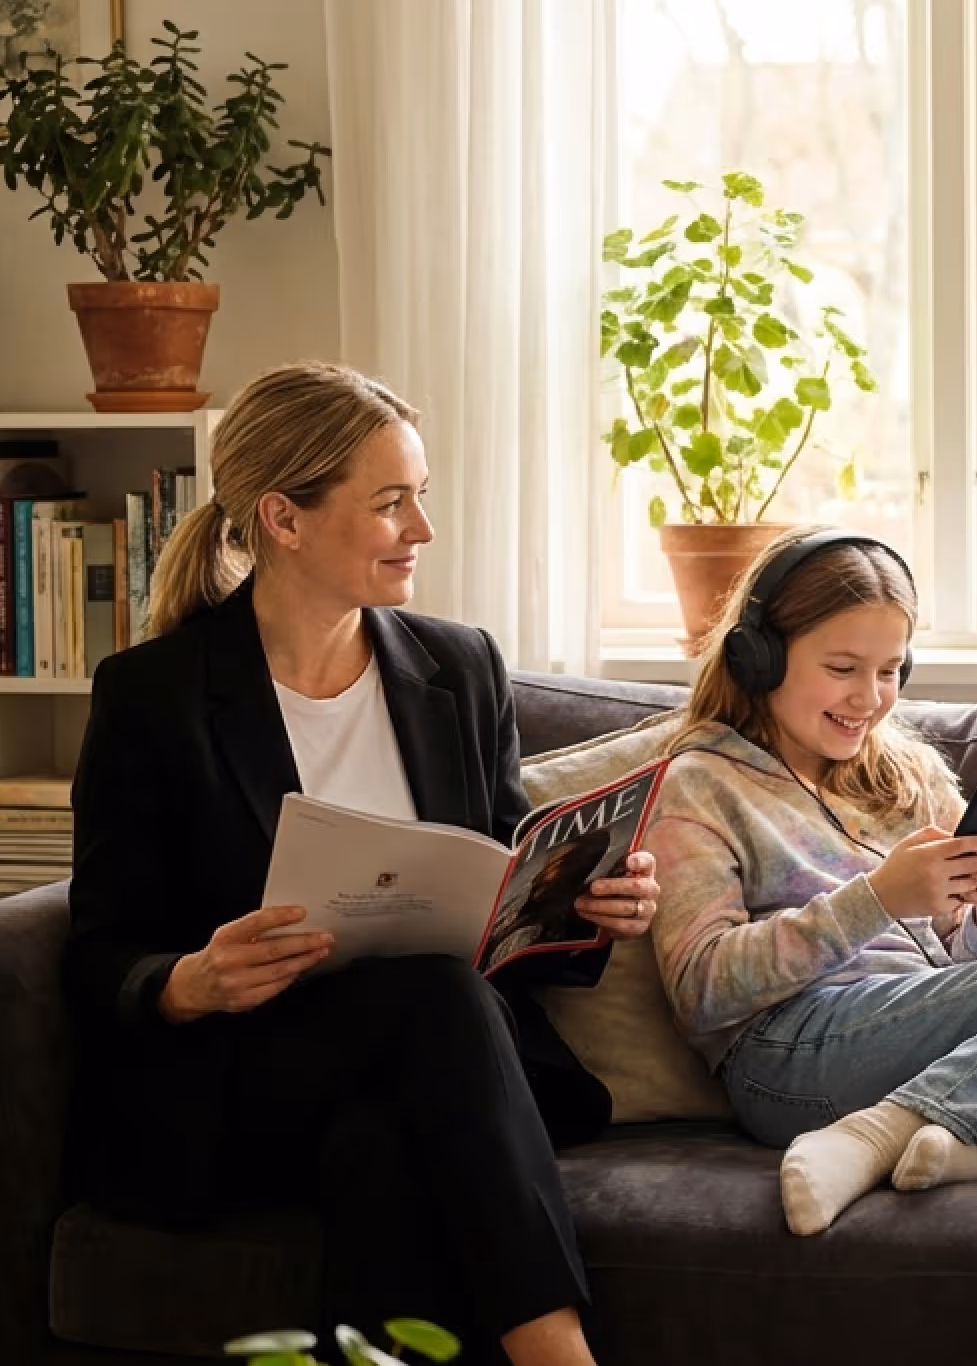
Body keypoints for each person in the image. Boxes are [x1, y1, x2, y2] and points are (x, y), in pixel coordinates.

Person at [64, 362, 661, 1366]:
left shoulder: (457, 665)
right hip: (245, 1074)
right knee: (433, 998)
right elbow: (97, 951)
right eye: (391, 503)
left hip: (426, 1071)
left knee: (383, 1147)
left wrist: (581, 905)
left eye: (420, 496)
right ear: (283, 518)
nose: (422, 529)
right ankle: (556, 1348)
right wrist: (186, 982)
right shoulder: (155, 696)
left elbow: (505, 901)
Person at [645, 524, 977, 1238]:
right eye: (844, 667)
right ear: (759, 658)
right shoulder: (701, 784)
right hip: (789, 1058)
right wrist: (877, 900)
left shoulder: (906, 776)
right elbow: (703, 991)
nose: (869, 697)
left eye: (889, 671)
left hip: (926, 1040)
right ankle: (875, 1134)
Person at [486, 830, 614, 970]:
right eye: (551, 858)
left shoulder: (536, 930)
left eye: (556, 863)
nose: (544, 868)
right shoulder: (523, 899)